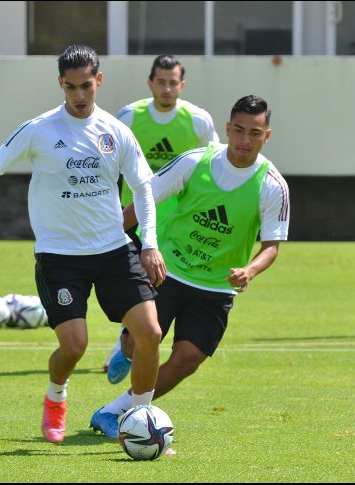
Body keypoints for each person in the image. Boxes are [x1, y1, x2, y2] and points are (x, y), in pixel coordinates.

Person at [0, 44, 166, 444]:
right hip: (60, 258)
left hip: (113, 251)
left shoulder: (116, 132)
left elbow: (143, 189)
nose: (80, 96)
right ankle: (56, 396)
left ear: (98, 81)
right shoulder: (39, 129)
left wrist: (149, 244)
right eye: (71, 88)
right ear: (60, 85)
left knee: (150, 334)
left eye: (87, 86)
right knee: (74, 347)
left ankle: (140, 420)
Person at [90, 95, 290, 437]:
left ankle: (117, 412)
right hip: (167, 269)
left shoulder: (272, 185)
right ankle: (125, 349)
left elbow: (271, 246)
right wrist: (108, 242)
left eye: (254, 133)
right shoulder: (195, 162)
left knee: (187, 359)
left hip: (215, 285)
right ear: (227, 129)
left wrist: (251, 270)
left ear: (266, 136)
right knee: (138, 343)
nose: (244, 141)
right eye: (238, 131)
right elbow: (145, 197)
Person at [104, 54, 219, 383]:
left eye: (173, 83)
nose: (167, 88)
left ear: (182, 85)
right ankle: (126, 342)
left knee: (158, 288)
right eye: (161, 82)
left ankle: (130, 344)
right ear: (150, 83)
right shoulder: (129, 116)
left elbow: (212, 164)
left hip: (176, 224)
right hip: (133, 217)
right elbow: (108, 164)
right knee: (135, 285)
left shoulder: (198, 120)